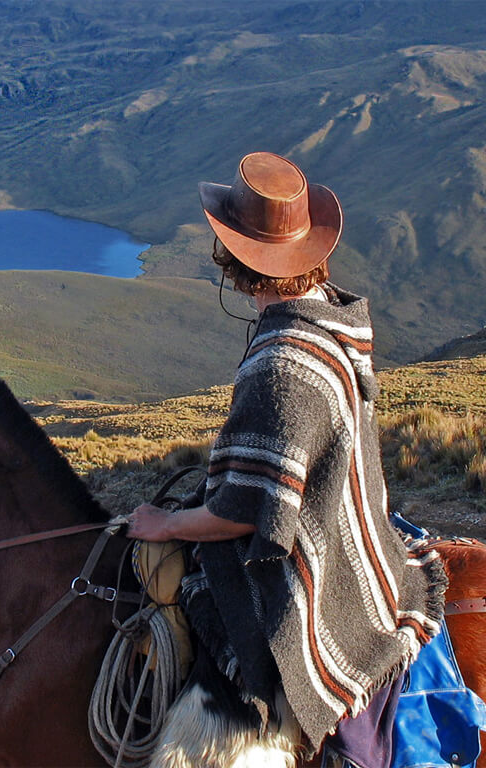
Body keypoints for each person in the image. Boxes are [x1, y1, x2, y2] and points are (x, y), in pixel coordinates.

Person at [126, 152, 447, 766]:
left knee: (207, 707)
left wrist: (163, 524)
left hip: (320, 584)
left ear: (240, 264)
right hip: (359, 539)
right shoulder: (333, 320)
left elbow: (247, 514)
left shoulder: (280, 365)